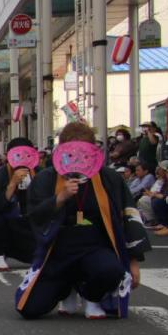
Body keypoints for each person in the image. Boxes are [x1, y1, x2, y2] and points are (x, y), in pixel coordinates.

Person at [17, 122, 150, 319]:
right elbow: (33, 216)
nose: (78, 157)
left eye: (84, 152)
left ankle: (92, 297)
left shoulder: (109, 177)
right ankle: (66, 289)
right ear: (61, 150)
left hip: (94, 245)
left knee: (112, 271)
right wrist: (59, 198)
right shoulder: (46, 178)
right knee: (30, 308)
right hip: (58, 248)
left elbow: (128, 215)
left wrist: (133, 260)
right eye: (71, 152)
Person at [0, 138, 39, 271]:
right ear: (9, 156)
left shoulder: (41, 173)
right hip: (6, 221)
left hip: (30, 222)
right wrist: (12, 184)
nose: (23, 159)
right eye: (18, 155)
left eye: (27, 155)